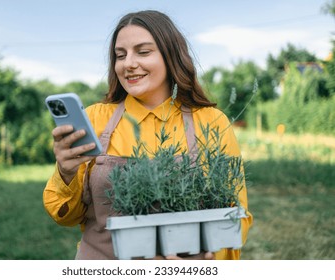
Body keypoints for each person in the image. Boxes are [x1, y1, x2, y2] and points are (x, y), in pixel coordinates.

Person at [43, 10, 253, 260]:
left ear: (170, 55)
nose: (128, 63)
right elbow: (66, 216)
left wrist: (209, 258)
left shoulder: (211, 122)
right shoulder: (96, 119)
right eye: (120, 55)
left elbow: (234, 215)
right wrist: (66, 173)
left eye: (143, 52)